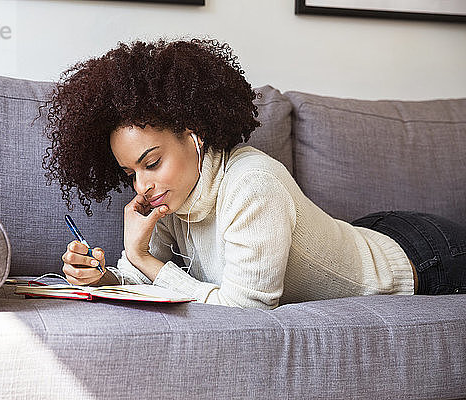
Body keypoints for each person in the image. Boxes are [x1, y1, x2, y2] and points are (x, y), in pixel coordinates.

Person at [41, 38, 466, 309]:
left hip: (421, 258)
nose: (141, 185)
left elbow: (247, 309)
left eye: (151, 163)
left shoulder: (252, 183)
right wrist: (107, 275)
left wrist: (142, 258)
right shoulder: (173, 196)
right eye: (130, 172)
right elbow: (147, 277)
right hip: (365, 232)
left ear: (194, 136)